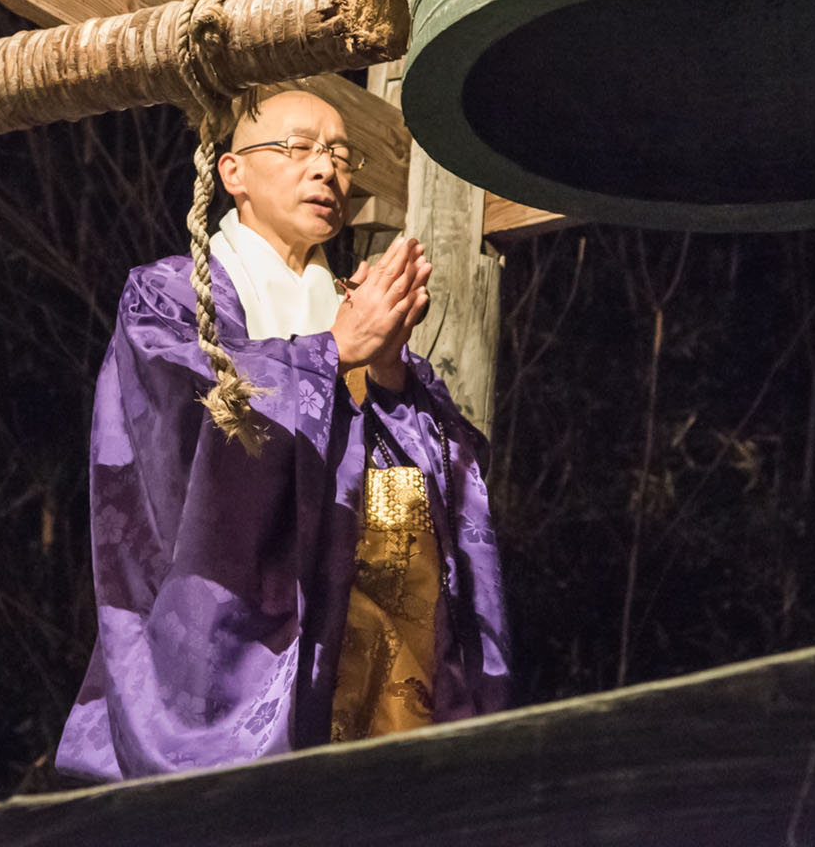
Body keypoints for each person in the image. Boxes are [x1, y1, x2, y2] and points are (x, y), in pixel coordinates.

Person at [56, 89, 510, 781]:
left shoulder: (355, 308)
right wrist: (330, 354)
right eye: (299, 148)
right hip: (226, 621)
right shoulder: (173, 298)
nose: (326, 170)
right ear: (233, 172)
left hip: (360, 648)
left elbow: (438, 484)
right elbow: (179, 416)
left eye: (339, 154)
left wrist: (387, 376)